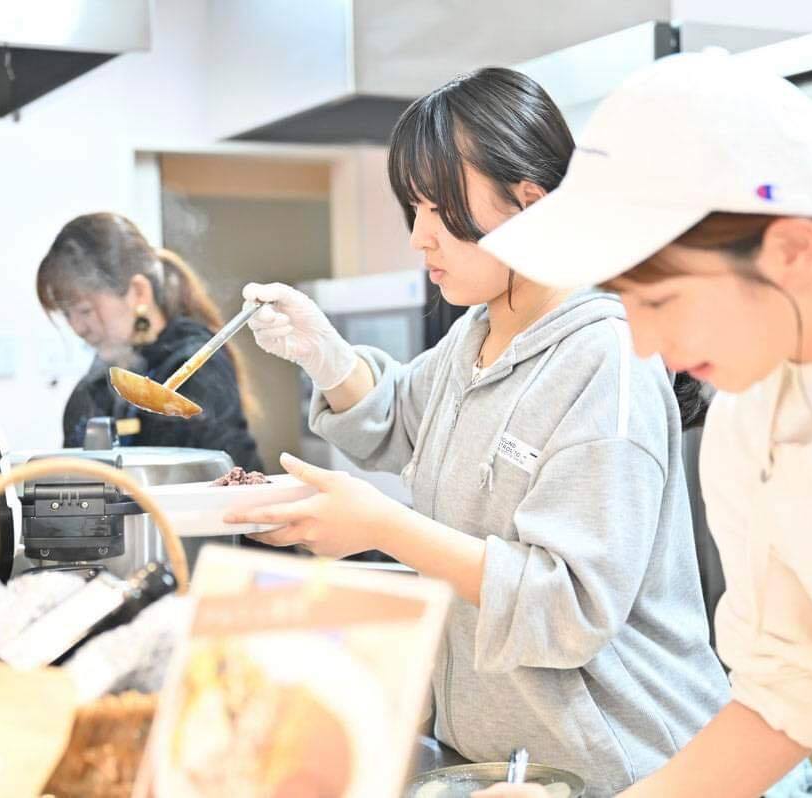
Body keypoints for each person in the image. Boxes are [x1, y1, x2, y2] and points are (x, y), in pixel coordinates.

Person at [476, 53, 812, 798]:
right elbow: (783, 691)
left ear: (791, 250)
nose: (643, 342)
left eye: (660, 300)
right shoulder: (745, 426)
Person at [227, 68, 729, 797]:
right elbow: (398, 418)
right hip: (507, 764)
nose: (419, 236)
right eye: (413, 207)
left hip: (626, 771)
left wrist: (383, 527)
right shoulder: (477, 333)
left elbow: (569, 607)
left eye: (440, 207)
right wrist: (324, 355)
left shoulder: (605, 357)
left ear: (531, 203)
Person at [36, 212, 262, 472]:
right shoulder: (93, 388)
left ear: (139, 292)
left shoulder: (194, 365)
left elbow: (234, 476)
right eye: (67, 313)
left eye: (85, 310)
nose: (77, 327)